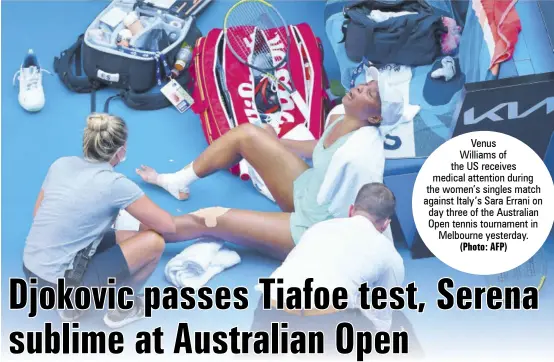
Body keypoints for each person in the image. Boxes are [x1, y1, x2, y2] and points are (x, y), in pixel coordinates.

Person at [136, 67, 400, 259]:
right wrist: (275, 144)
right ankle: (177, 182)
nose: (359, 88)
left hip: (313, 229)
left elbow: (364, 219)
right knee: (247, 135)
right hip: (305, 191)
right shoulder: (340, 114)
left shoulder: (360, 158)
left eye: (371, 95)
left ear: (376, 118)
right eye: (365, 84)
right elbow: (319, 148)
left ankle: (129, 231)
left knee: (210, 218)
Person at [23, 113, 178, 328]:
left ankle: (71, 306)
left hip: (31, 270)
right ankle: (122, 309)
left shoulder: (60, 164)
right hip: (62, 286)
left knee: (127, 238)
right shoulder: (115, 184)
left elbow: (37, 214)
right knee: (154, 242)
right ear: (121, 150)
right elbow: (167, 226)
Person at [250, 183, 423, 357]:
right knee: (398, 321)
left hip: (269, 307)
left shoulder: (317, 228)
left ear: (351, 210)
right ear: (386, 224)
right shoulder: (390, 255)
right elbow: (382, 318)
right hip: (324, 322)